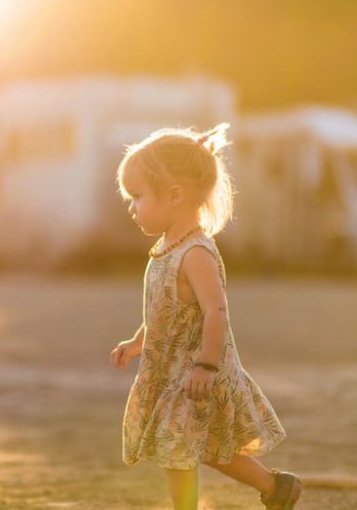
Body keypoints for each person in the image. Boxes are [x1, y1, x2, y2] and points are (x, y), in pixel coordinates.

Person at [110, 123, 301, 510]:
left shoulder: (195, 253)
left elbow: (216, 311)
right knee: (208, 447)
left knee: (178, 446)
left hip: (197, 372)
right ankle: (276, 487)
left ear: (175, 195)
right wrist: (138, 342)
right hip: (172, 371)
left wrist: (206, 367)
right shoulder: (166, 248)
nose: (132, 207)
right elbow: (165, 313)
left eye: (138, 197)